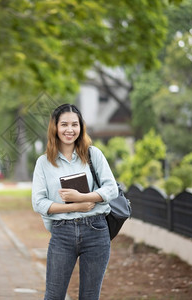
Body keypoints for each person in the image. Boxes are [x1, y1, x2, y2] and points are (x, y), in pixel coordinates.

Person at [32, 103, 118, 300]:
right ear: (55, 127)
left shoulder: (93, 154)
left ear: (81, 127)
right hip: (62, 232)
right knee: (53, 295)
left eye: (74, 124)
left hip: (96, 231)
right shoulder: (44, 162)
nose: (69, 130)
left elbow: (111, 189)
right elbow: (38, 202)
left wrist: (83, 197)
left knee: (89, 296)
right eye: (64, 124)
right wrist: (76, 206)